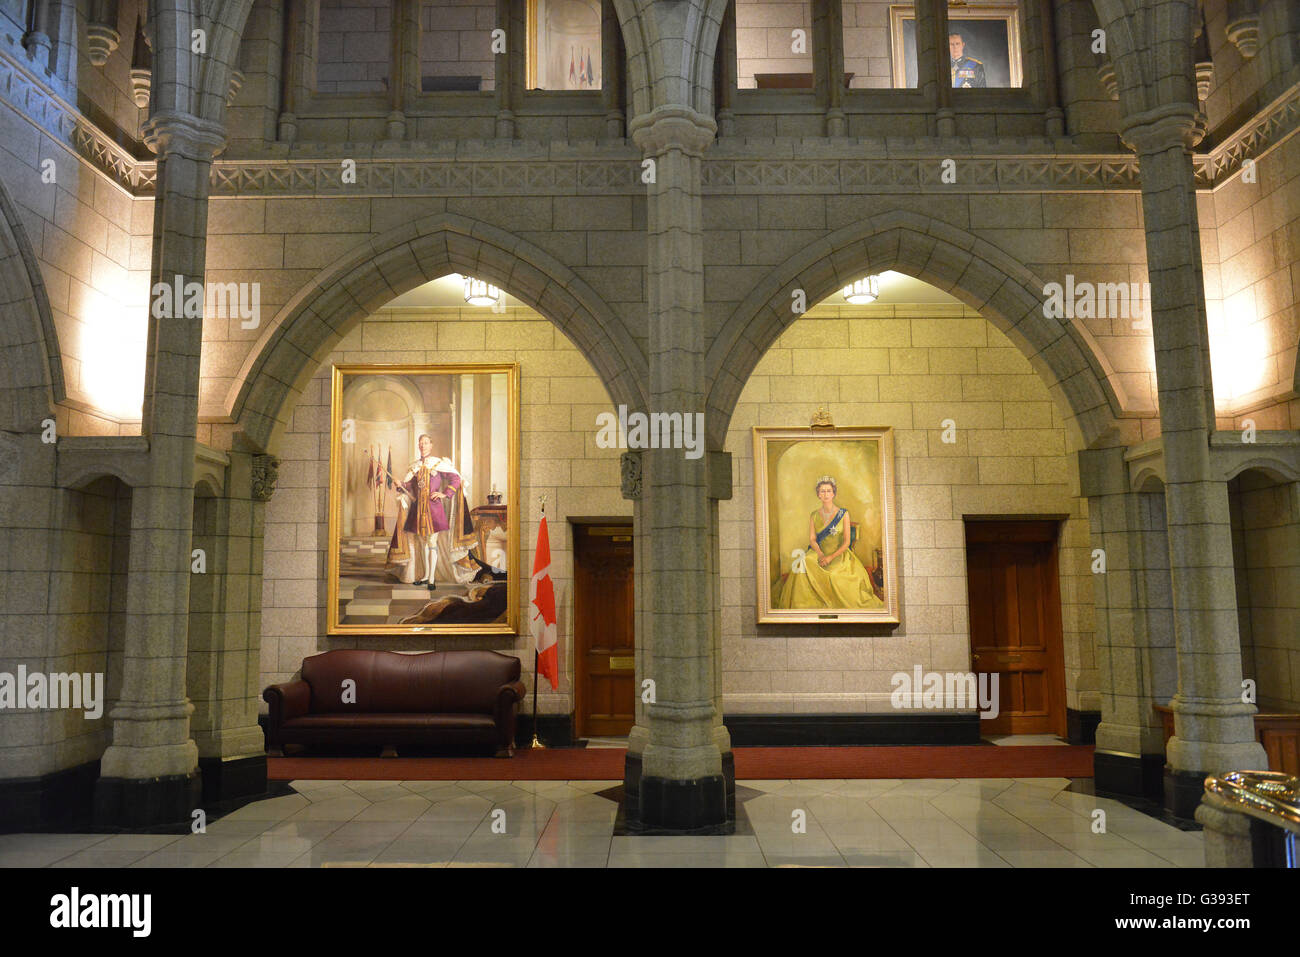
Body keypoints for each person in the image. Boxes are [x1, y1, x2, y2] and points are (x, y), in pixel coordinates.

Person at [773, 475, 883, 610]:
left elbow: (847, 542)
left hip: (839, 555)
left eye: (829, 491)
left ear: (834, 493)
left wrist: (830, 557)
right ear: (818, 494)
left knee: (836, 577)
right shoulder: (814, 515)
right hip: (819, 553)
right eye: (822, 491)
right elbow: (812, 539)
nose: (826, 494)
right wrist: (820, 555)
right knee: (804, 561)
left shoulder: (844, 514)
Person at [389, 434, 462, 588]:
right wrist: (400, 483)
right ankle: (425, 576)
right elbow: (410, 486)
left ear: (431, 445)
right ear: (418, 446)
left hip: (433, 510)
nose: (423, 446)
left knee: (432, 542)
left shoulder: (438, 464)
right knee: (422, 543)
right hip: (417, 510)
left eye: (426, 443)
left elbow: (456, 479)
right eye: (420, 443)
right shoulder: (415, 466)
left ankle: (431, 579)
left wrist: (445, 493)